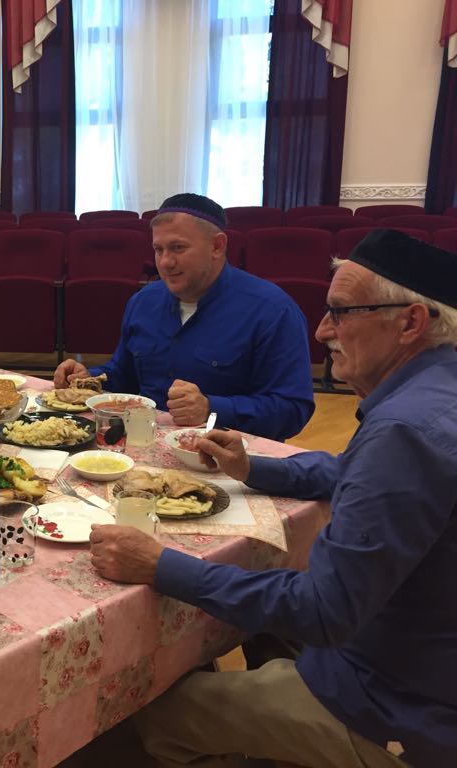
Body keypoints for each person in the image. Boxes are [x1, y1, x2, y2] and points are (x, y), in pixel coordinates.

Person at [89, 229, 457, 766]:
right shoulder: (433, 393)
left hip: (393, 710)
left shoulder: (404, 431)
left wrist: (162, 565)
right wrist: (250, 467)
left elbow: (323, 610)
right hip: (407, 658)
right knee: (246, 634)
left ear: (410, 323)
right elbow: (348, 471)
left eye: (341, 312)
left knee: (139, 708)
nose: (323, 330)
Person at [53, 193, 314, 441]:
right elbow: (124, 374)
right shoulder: (143, 303)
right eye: (158, 250)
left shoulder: (272, 311)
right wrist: (88, 378)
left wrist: (211, 408)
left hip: (229, 457)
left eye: (178, 248)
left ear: (217, 246)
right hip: (142, 444)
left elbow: (293, 409)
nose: (165, 262)